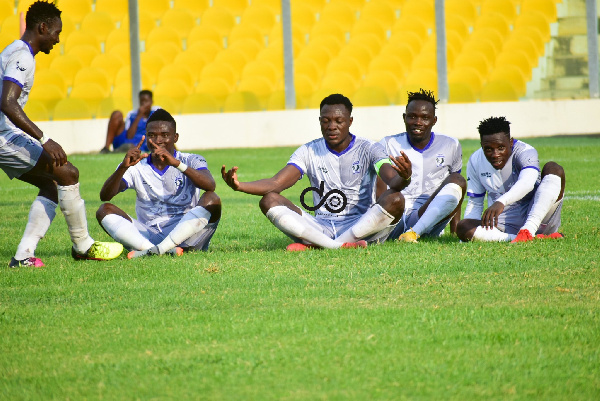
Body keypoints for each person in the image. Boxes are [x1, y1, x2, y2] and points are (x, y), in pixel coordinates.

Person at [0, 1, 123, 267]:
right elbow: (7, 103)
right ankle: (82, 245)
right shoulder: (22, 56)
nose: (57, 39)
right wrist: (44, 139)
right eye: (56, 32)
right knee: (68, 173)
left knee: (51, 184)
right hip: (3, 137)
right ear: (42, 28)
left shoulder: (16, 51)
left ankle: (23, 257)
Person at [221, 93, 410, 251]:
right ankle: (337, 245)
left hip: (361, 225)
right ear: (320, 121)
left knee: (396, 199)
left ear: (350, 121)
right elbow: (276, 183)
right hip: (321, 227)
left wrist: (404, 177)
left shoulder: (369, 148)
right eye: (326, 120)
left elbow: (392, 182)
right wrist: (240, 186)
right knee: (269, 200)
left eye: (339, 121)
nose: (331, 126)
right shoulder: (308, 151)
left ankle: (321, 245)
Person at [96, 108, 221, 258]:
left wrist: (177, 164)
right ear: (146, 138)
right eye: (152, 135)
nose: (158, 140)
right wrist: (123, 167)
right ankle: (156, 250)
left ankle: (156, 251)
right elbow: (106, 195)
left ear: (175, 138)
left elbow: (210, 185)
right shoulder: (136, 165)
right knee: (104, 210)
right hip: (148, 234)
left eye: (165, 135)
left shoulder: (190, 159)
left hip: (186, 235)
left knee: (212, 199)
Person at [456, 116, 565, 243]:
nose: (495, 154)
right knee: (463, 227)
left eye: (501, 147)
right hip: (503, 226)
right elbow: (475, 203)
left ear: (511, 142)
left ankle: (529, 230)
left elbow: (527, 183)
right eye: (489, 149)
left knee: (554, 168)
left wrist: (501, 202)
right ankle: (525, 239)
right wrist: (465, 238)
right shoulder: (475, 160)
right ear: (482, 145)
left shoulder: (525, 151)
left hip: (539, 219)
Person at [378, 89, 466, 243]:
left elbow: (455, 192)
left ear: (434, 120)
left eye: (425, 118)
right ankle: (405, 234)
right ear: (404, 118)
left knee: (458, 180)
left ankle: (414, 233)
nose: (418, 122)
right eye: (412, 117)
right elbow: (377, 189)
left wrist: (455, 231)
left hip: (430, 217)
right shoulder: (387, 144)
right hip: (395, 217)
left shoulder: (451, 144)